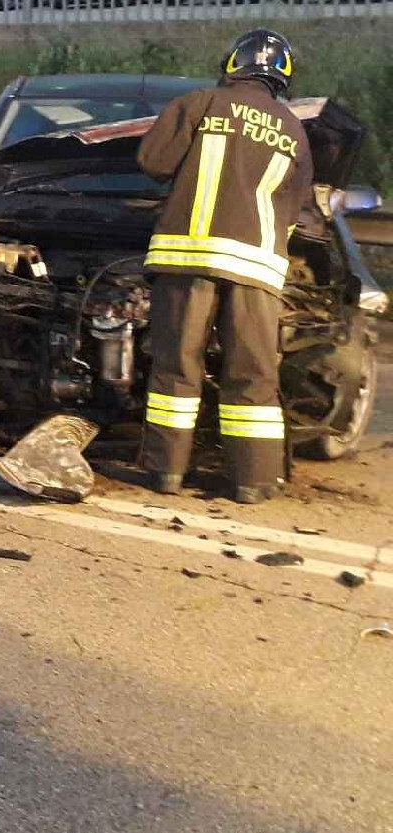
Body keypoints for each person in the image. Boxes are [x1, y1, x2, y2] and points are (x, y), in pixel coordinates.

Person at [136, 29, 315, 505]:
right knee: (253, 374)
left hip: (187, 259)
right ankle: (252, 481)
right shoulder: (294, 129)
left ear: (232, 64)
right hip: (257, 269)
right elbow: (298, 206)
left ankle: (165, 473)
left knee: (177, 370)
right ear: (283, 77)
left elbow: (152, 161)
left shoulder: (198, 103)